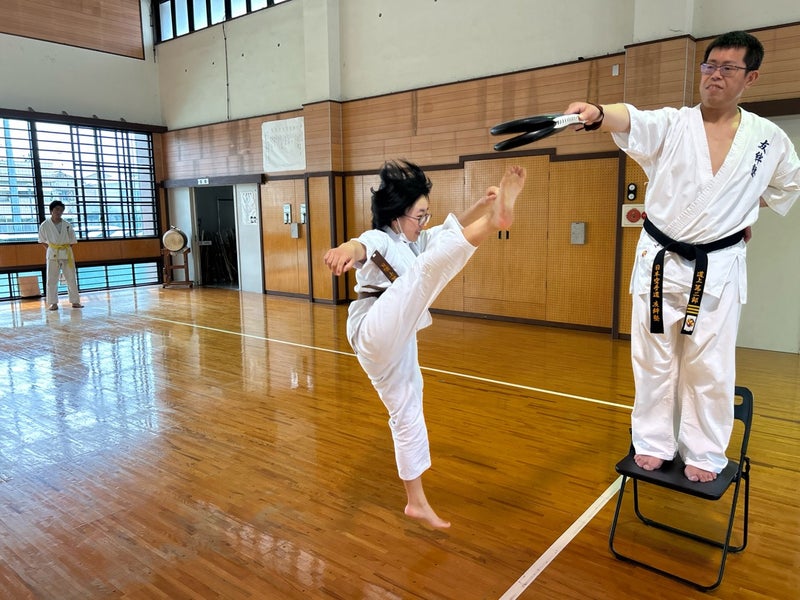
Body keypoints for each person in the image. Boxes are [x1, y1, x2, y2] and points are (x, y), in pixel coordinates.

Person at [565, 31, 799, 482]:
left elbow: (788, 184)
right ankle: (653, 442)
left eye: (727, 68)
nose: (715, 75)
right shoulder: (673, 124)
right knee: (652, 358)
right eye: (709, 66)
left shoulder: (768, 139)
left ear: (750, 78)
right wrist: (597, 112)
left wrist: (742, 209)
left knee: (710, 366)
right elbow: (629, 118)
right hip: (660, 260)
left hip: (718, 266)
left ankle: (705, 453)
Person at [324, 160, 526, 528]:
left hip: (398, 338)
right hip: (373, 325)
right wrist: (344, 249)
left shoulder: (413, 242)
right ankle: (494, 222)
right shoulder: (382, 239)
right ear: (397, 215)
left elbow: (449, 232)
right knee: (423, 273)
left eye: (425, 215)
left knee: (408, 410)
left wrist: (480, 204)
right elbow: (361, 245)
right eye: (419, 216)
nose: (423, 222)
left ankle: (415, 502)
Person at [38, 200, 84, 310]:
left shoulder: (67, 225)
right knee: (51, 279)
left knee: (71, 277)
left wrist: (64, 249)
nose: (59, 212)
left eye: (61, 210)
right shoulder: (45, 225)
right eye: (56, 209)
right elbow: (42, 241)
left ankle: (75, 301)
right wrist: (52, 249)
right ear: (51, 211)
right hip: (52, 253)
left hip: (66, 252)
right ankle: (53, 303)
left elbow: (72, 241)